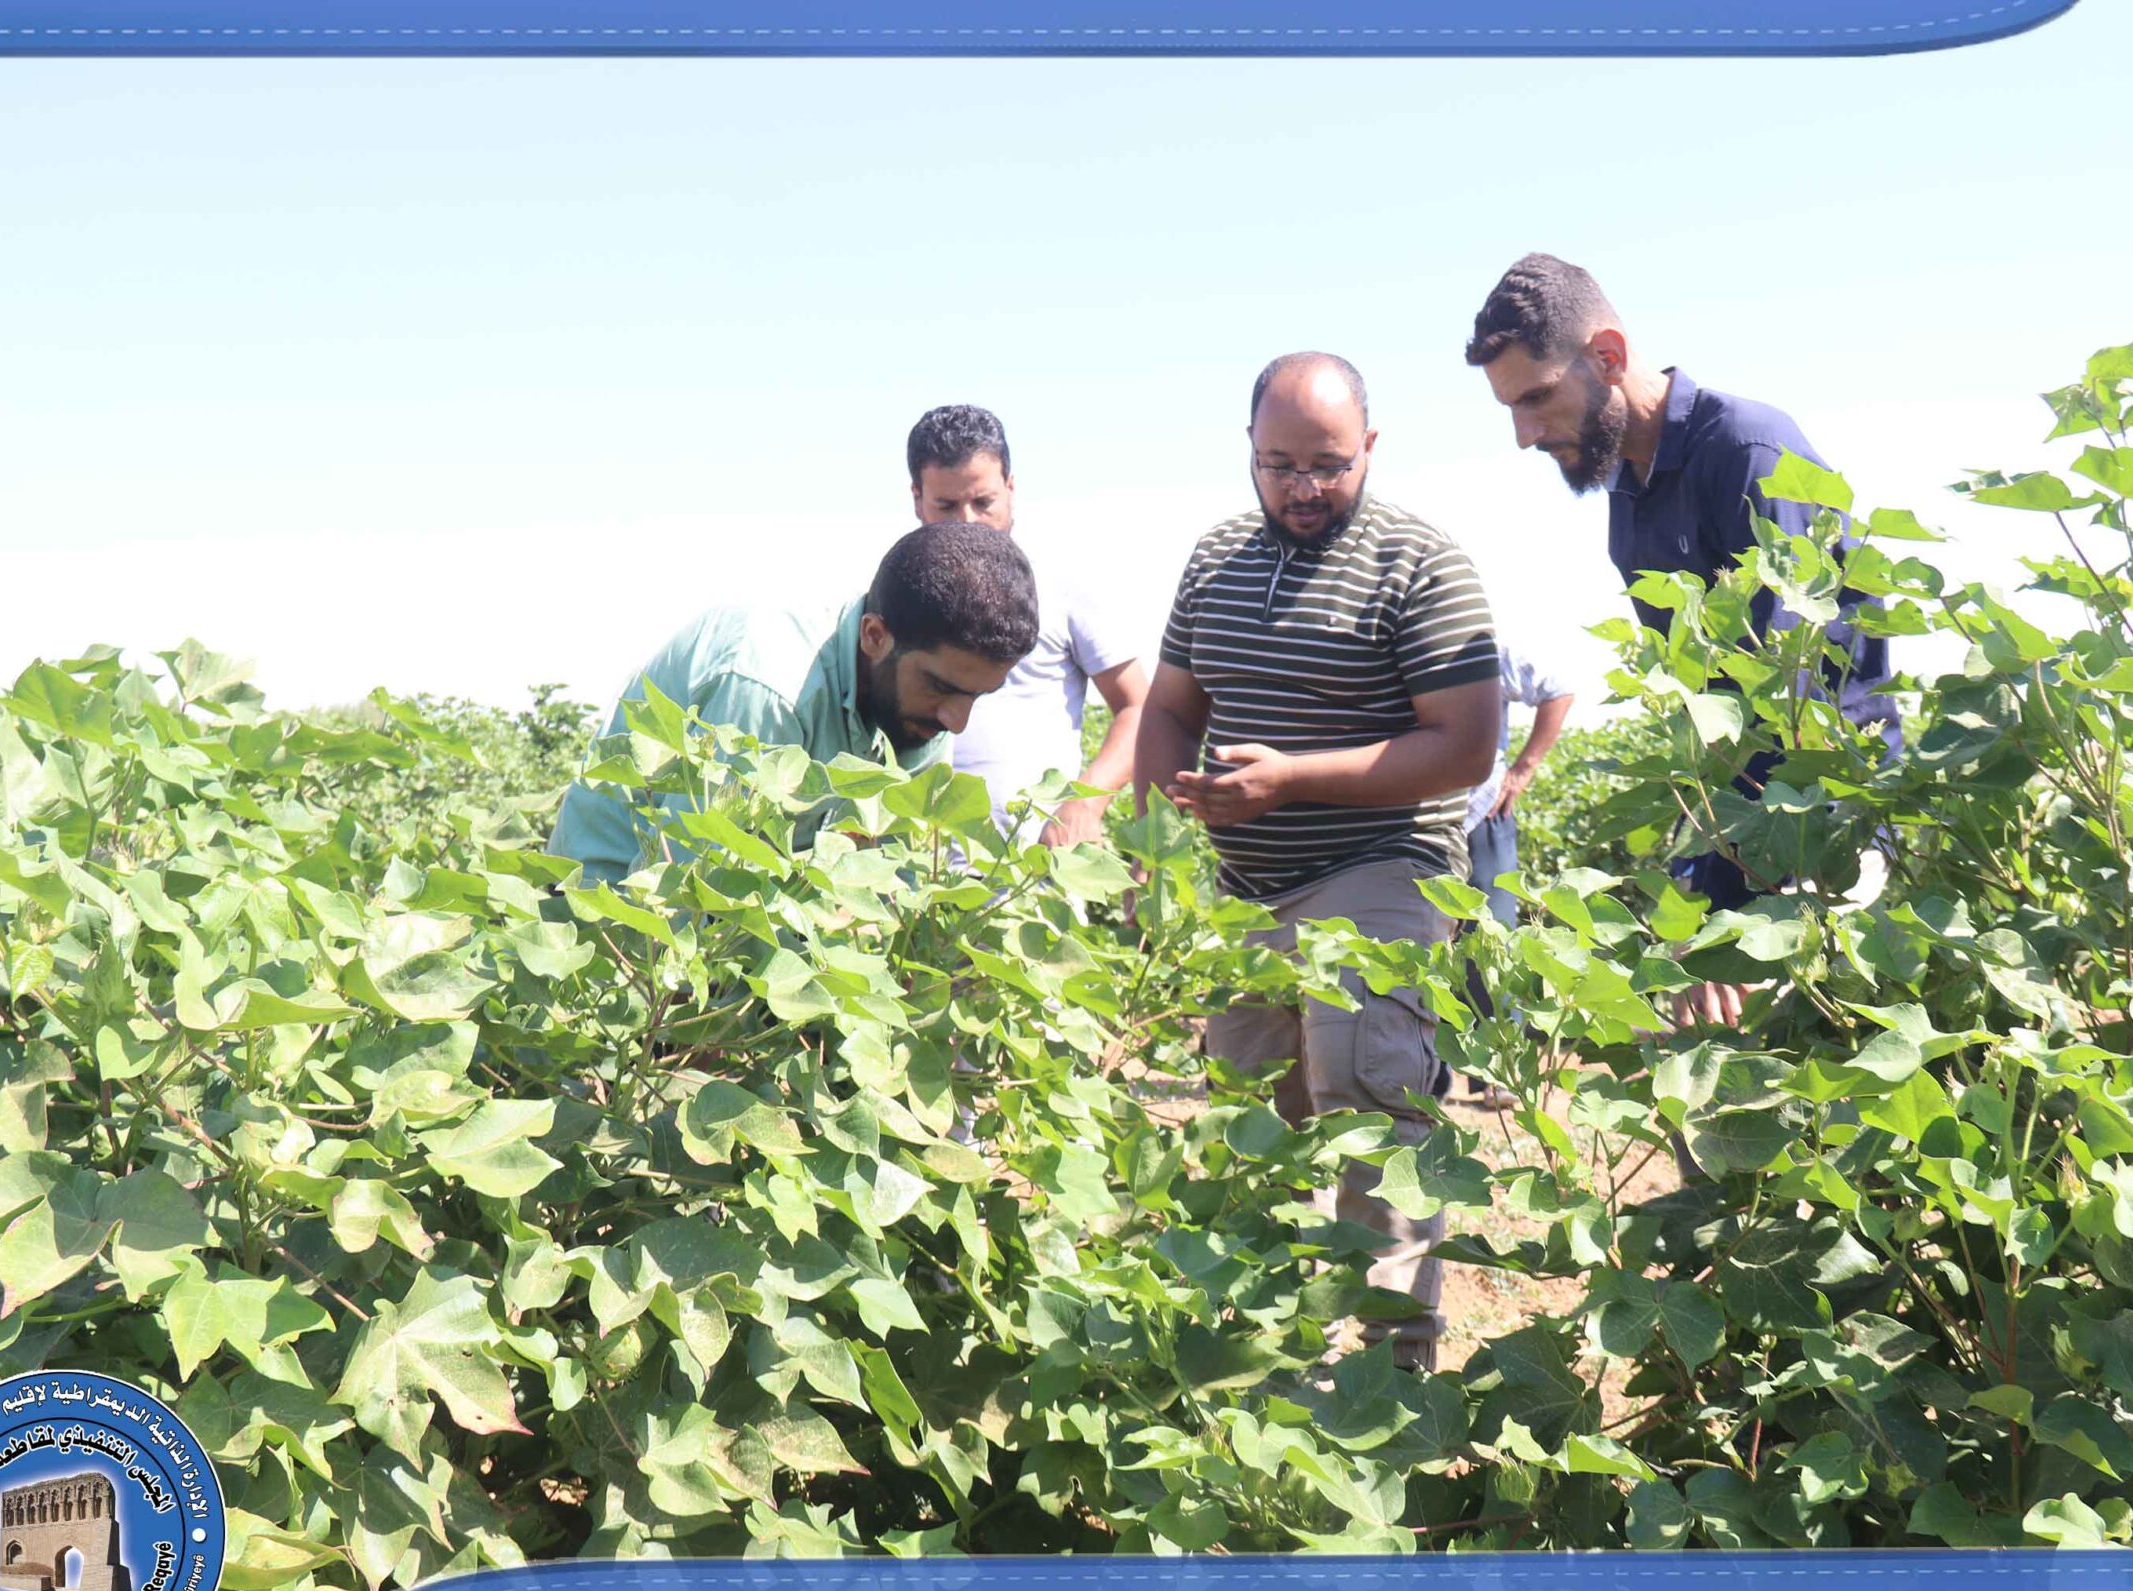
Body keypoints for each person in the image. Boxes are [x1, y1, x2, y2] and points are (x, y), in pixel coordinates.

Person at [1136, 351, 1500, 1371]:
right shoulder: (1215, 559)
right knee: (1251, 1117)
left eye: (1329, 465)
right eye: (1279, 464)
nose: (1302, 487)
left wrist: (1290, 780)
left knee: (1367, 1089)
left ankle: (1394, 1373)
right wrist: (1158, 842)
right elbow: (1169, 710)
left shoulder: (1421, 564)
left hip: (1383, 864)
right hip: (1245, 888)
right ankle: (1263, 1366)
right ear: (1249, 451)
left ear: (1370, 447)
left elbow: (1466, 746)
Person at [1464, 253, 1899, 1030]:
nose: (1525, 434)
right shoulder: (1630, 496)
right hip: (1742, 823)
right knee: (1693, 1047)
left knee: (1784, 1053)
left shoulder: (1747, 453)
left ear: (1608, 356)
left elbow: (1783, 709)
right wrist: (1698, 895)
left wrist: (1728, 909)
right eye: (1510, 409)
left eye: (1537, 397)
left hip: (1832, 825)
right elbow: (1704, 715)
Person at [546, 521, 1038, 886]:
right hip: (607, 911)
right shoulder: (770, 686)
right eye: (942, 688)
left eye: (977, 696)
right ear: (874, 636)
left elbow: (894, 879)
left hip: (750, 923)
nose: (958, 720)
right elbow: (690, 889)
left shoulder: (925, 709)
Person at [904, 405, 1149, 845]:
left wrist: (1086, 803)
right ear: (917, 499)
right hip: (915, 872)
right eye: (946, 505)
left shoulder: (1063, 586)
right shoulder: (895, 597)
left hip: (1035, 870)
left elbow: (1139, 707)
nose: (968, 523)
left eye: (983, 503)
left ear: (1011, 489)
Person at [1454, 639, 1578, 1111]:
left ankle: (1501, 1073)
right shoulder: (1393, 645)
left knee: (1492, 940)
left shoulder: (1485, 649)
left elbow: (1557, 687)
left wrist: (1524, 767)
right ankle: (1426, 1071)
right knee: (1412, 937)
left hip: (1481, 814)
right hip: (1409, 820)